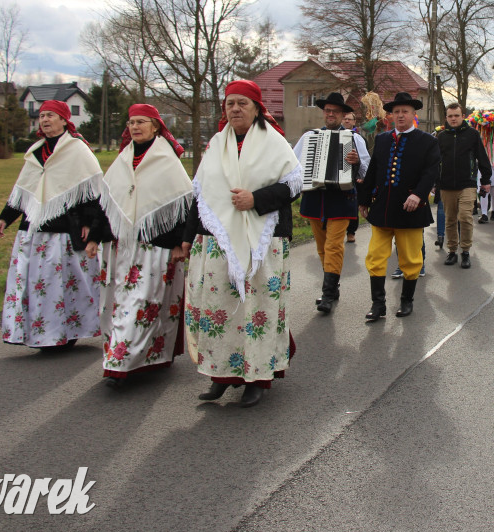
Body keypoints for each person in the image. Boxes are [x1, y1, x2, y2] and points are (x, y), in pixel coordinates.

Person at [180, 80, 301, 408]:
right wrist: (187, 239)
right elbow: (202, 196)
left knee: (255, 310)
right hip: (218, 242)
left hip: (265, 241)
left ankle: (257, 378)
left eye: (242, 104)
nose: (235, 109)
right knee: (220, 311)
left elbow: (293, 185)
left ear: (257, 108)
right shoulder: (216, 145)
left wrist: (256, 199)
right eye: (230, 103)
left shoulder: (273, 143)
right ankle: (221, 376)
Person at [0, 100, 104, 350]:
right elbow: (23, 191)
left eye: (50, 115)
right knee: (30, 283)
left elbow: (91, 190)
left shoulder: (77, 150)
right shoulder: (35, 152)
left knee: (62, 285)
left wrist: (89, 222)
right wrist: (4, 218)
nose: (44, 120)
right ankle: (36, 332)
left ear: (64, 120)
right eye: (42, 115)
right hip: (32, 229)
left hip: (63, 230)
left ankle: (65, 333)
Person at [97, 104, 192, 387]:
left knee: (144, 304)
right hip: (123, 247)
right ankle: (141, 357)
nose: (135, 127)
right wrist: (95, 238)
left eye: (141, 122)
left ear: (155, 126)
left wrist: (178, 244)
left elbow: (183, 205)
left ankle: (121, 363)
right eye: (131, 123)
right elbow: (108, 203)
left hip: (156, 248)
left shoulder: (167, 159)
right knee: (121, 304)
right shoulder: (122, 159)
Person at [358, 92, 440, 321]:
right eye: (396, 112)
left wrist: (419, 195)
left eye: (405, 111)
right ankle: (378, 305)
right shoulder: (383, 140)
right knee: (375, 256)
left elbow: (431, 171)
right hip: (382, 209)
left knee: (411, 260)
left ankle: (406, 301)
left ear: (414, 114)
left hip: (410, 210)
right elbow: (373, 170)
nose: (400, 115)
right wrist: (364, 200)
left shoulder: (428, 141)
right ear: (391, 116)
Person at [292, 92, 370, 313]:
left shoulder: (355, 139)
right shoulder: (309, 137)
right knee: (321, 247)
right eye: (327, 110)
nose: (331, 114)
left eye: (335, 111)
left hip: (342, 199)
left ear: (343, 114)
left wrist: (355, 164)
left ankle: (326, 294)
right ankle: (333, 286)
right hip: (315, 199)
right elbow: (293, 164)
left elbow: (366, 170)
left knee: (334, 246)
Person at [435, 103, 491, 269]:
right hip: (446, 185)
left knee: (465, 217)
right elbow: (435, 161)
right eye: (450, 116)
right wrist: (434, 183)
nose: (453, 119)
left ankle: (465, 251)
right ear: (446, 118)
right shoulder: (441, 136)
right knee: (450, 220)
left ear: (462, 116)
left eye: (456, 115)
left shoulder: (472, 134)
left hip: (467, 183)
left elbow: (482, 157)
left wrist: (486, 180)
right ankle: (452, 251)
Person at [343, 110, 361, 243]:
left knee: (353, 206)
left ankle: (351, 231)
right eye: (345, 118)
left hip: (353, 178)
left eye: (349, 119)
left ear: (354, 122)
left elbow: (365, 160)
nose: (347, 121)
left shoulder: (358, 138)